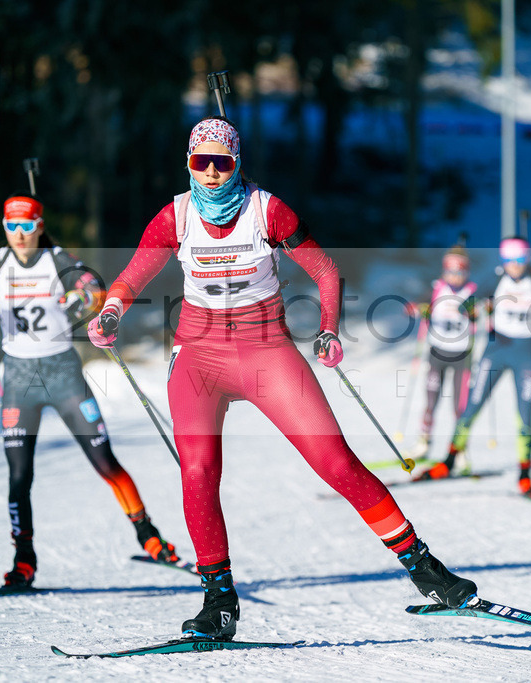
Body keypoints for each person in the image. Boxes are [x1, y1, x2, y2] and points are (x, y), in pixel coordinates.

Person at [88, 116, 479, 640]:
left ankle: (428, 574)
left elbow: (324, 271)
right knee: (198, 471)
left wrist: (327, 330)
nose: (209, 172)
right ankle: (219, 602)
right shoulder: (175, 217)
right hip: (199, 356)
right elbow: (135, 273)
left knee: (335, 462)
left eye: (220, 162)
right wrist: (111, 311)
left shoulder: (267, 210)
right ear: (187, 164)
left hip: (265, 349)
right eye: (198, 162)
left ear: (237, 163)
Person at [0, 193, 185, 588]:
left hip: (63, 376)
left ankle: (150, 536)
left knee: (104, 461)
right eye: (11, 226)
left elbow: (93, 287)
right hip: (20, 381)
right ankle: (24, 561)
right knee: (19, 475)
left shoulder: (57, 260)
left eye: (27, 225)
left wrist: (82, 297)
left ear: (40, 225)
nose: (19, 234)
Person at [416, 236, 531, 497]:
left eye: (520, 259)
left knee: (524, 415)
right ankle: (449, 461)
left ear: (527, 258)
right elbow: (466, 306)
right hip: (496, 351)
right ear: (503, 260)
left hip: (525, 355)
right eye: (509, 260)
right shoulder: (496, 277)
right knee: (472, 406)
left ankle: (525, 475)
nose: (515, 265)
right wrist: (479, 310)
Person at [402, 245, 478, 466]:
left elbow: (481, 312)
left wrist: (476, 312)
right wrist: (420, 309)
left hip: (462, 355)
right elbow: (410, 307)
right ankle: (424, 443)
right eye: (450, 271)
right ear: (444, 270)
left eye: (459, 272)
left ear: (466, 272)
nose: (454, 276)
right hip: (437, 353)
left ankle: (460, 449)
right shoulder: (436, 289)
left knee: (460, 406)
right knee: (431, 401)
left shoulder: (472, 291)